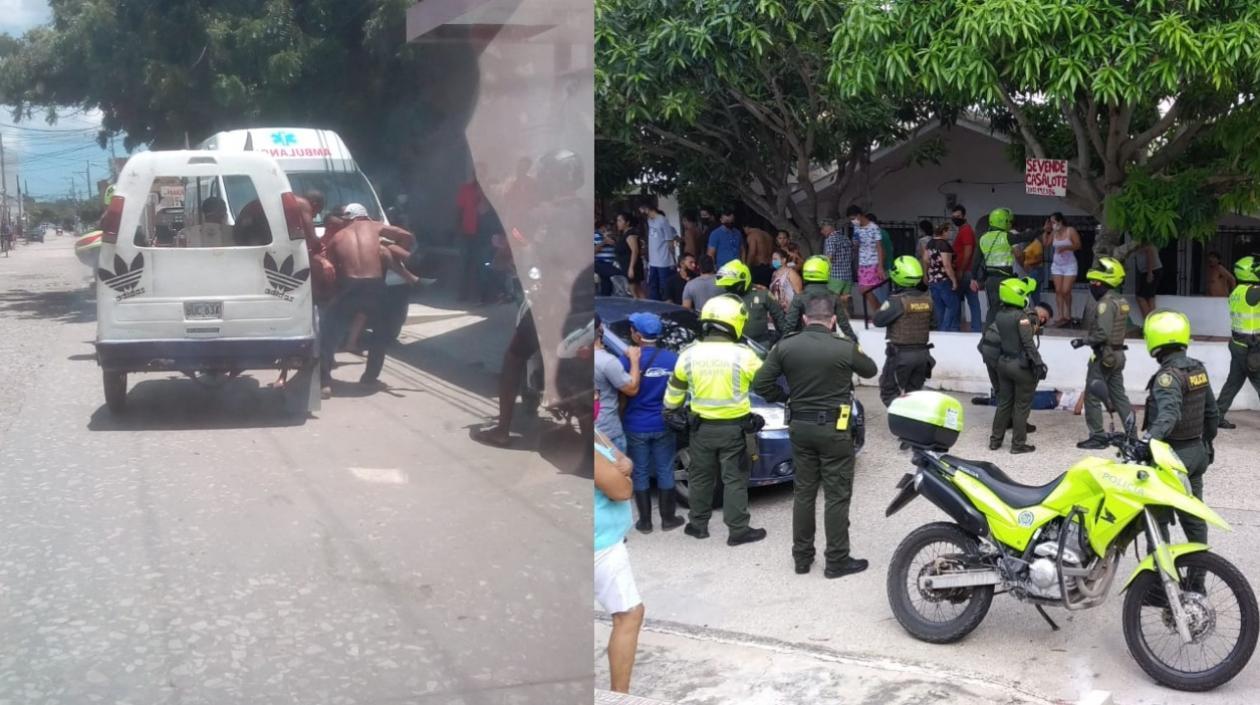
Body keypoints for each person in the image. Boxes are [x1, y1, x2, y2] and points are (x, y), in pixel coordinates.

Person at [751, 296, 878, 578]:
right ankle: (836, 560)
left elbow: (760, 383)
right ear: (832, 321)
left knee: (804, 493)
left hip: (800, 428)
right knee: (836, 495)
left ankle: (802, 558)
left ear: (805, 319)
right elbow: (871, 370)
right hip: (835, 430)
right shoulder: (842, 347)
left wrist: (785, 397)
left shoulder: (785, 346)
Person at [663, 295, 767, 546]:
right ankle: (738, 530)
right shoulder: (744, 355)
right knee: (734, 479)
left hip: (700, 430)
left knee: (700, 478)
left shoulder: (688, 354)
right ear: (733, 322)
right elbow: (767, 385)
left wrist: (670, 411)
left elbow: (674, 394)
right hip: (735, 430)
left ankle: (698, 525)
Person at [1141, 310, 1218, 549]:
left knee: (1156, 518)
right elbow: (1212, 413)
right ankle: (1198, 581)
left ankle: (1158, 582)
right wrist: (1206, 444)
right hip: (1196, 452)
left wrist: (1147, 441)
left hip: (1171, 458)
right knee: (1194, 518)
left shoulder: (1168, 377)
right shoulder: (1197, 370)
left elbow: (1168, 416)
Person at [620, 313, 684, 533]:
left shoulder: (627, 359)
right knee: (665, 469)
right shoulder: (672, 359)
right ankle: (668, 519)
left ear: (637, 335)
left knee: (640, 471)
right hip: (663, 423)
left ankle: (645, 523)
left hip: (635, 424)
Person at [593, 429, 645, 694]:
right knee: (628, 614)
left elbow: (618, 455)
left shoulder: (590, 430)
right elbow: (620, 490)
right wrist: (626, 479)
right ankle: (619, 696)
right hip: (599, 546)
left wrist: (627, 465)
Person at [1072, 257, 1134, 449]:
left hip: (1104, 356)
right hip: (1117, 355)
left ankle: (1098, 436)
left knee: (1092, 395)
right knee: (1119, 396)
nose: (1093, 287)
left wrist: (1082, 341)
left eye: (1095, 283)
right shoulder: (1121, 301)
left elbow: (1102, 333)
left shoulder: (1105, 303)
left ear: (1104, 283)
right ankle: (1132, 435)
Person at [989, 278, 1048, 454]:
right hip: (1020, 366)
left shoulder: (999, 314)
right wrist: (1039, 363)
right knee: (1021, 406)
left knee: (1004, 403)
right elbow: (1028, 343)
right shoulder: (1021, 317)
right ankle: (1018, 444)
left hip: (1003, 363)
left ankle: (995, 441)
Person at [873, 256, 934, 406]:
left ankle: (901, 423)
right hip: (922, 355)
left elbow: (878, 320)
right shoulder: (928, 300)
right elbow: (933, 322)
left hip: (900, 355)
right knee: (915, 394)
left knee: (889, 392)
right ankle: (915, 423)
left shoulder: (897, 301)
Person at [971, 207, 1041, 327]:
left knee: (992, 309)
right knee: (1009, 308)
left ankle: (989, 335)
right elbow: (1025, 236)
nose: (1010, 224)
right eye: (1008, 221)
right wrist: (1043, 229)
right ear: (1002, 221)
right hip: (1005, 280)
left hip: (990, 280)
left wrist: (973, 278)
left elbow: (976, 261)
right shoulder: (1006, 236)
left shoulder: (983, 238)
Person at [1216, 256, 1260, 429]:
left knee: (1233, 383)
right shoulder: (1253, 292)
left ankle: (1217, 416)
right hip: (1250, 348)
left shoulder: (1237, 291)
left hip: (1237, 344)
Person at [594, 316, 642, 452]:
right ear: (601, 329)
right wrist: (634, 360)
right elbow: (632, 389)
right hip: (607, 432)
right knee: (619, 472)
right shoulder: (607, 361)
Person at [715, 259, 787, 347]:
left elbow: (779, 317)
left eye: (733, 285)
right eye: (728, 286)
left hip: (761, 345)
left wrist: (784, 341)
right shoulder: (725, 297)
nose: (730, 288)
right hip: (736, 345)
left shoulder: (762, 294)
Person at [784, 255, 858, 340]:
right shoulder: (833, 297)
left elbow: (789, 325)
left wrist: (779, 345)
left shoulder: (799, 297)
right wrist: (855, 343)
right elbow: (844, 326)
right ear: (826, 272)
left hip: (805, 342)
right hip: (828, 342)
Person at [455, 163, 491, 303]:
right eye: (477, 173)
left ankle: (484, 295)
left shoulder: (489, 190)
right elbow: (459, 210)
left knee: (482, 264)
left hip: (484, 233)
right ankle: (463, 294)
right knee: (465, 264)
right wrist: (458, 229)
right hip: (467, 231)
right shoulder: (465, 189)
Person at [847, 205, 885, 316]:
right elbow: (857, 245)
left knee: (867, 289)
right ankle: (878, 312)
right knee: (863, 290)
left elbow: (879, 247)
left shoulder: (874, 228)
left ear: (859, 215)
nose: (852, 221)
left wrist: (880, 266)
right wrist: (855, 243)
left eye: (853, 218)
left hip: (873, 262)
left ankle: (879, 313)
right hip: (862, 263)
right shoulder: (857, 228)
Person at [950, 205, 982, 332]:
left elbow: (968, 252)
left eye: (958, 217)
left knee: (959, 302)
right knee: (972, 302)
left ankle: (957, 328)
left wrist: (961, 270)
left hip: (965, 272)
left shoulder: (966, 231)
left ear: (964, 216)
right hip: (968, 271)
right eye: (954, 217)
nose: (955, 219)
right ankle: (976, 329)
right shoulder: (964, 230)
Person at [923, 221, 959, 331]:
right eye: (950, 231)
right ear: (944, 232)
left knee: (939, 308)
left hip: (933, 279)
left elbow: (925, 260)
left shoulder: (930, 243)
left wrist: (927, 274)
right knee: (953, 305)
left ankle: (940, 331)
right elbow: (947, 265)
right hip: (943, 279)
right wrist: (954, 280)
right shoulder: (944, 245)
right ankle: (945, 329)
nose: (952, 233)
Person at [1048, 213, 1081, 326]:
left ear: (1060, 221)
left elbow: (1078, 245)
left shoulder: (1070, 231)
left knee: (1066, 290)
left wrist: (1066, 247)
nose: (1052, 225)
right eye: (1051, 222)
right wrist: (1045, 231)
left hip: (1069, 265)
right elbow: (1046, 244)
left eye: (1053, 222)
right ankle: (1060, 314)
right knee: (1058, 290)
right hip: (1057, 265)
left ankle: (1068, 312)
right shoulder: (1053, 232)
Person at [640, 203, 678, 301]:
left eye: (642, 210)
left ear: (648, 208)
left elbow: (669, 240)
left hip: (663, 260)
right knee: (653, 285)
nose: (641, 212)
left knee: (664, 285)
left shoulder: (663, 220)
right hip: (653, 260)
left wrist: (673, 258)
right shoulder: (649, 221)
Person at [613, 212, 644, 299]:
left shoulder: (630, 234)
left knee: (634, 290)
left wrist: (631, 268)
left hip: (632, 265)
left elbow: (635, 251)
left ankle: (642, 309)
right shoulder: (624, 234)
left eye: (620, 221)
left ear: (627, 222)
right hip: (626, 265)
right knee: (636, 289)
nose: (617, 223)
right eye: (617, 221)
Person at [821, 219, 854, 300]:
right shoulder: (846, 238)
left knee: (832, 301)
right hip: (848, 276)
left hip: (835, 276)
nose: (821, 232)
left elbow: (829, 258)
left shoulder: (830, 239)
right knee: (845, 302)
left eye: (822, 229)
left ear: (828, 228)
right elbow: (852, 256)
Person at [867, 212, 896, 304]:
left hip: (881, 270)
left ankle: (882, 317)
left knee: (880, 298)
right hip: (888, 269)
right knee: (885, 297)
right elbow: (891, 248)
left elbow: (881, 252)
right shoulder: (884, 232)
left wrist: (879, 268)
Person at [768, 246, 803, 312]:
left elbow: (799, 294)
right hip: (776, 311)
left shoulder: (791, 273)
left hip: (789, 311)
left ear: (783, 260)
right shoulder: (774, 274)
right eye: (772, 259)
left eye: (776, 259)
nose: (773, 261)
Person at [1133, 242, 1163, 319]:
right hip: (1147, 271)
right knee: (1150, 297)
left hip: (1150, 271)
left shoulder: (1146, 243)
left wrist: (1150, 273)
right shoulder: (1137, 244)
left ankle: (1148, 320)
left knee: (1140, 297)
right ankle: (1151, 321)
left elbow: (1150, 255)